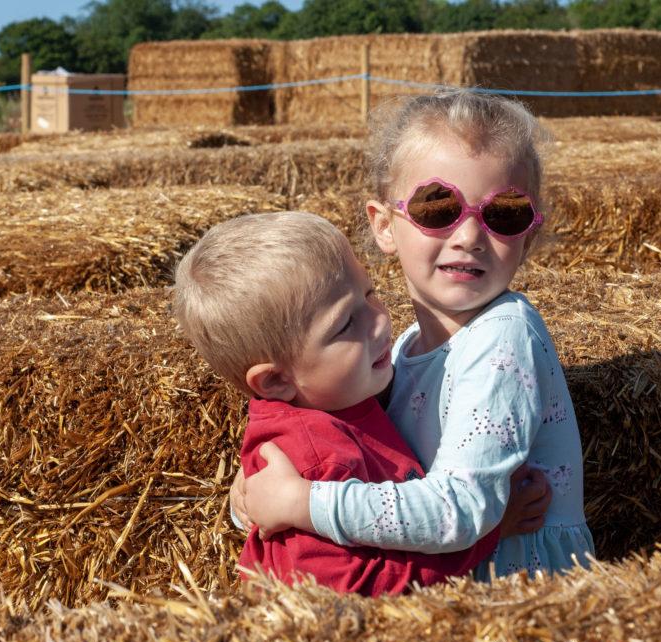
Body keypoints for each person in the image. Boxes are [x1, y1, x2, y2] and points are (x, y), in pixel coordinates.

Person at [237, 90, 594, 579]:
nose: (468, 236)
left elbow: (464, 510)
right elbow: (336, 451)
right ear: (384, 226)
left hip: (513, 595)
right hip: (441, 589)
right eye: (438, 207)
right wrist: (254, 492)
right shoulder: (397, 351)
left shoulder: (502, 335)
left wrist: (305, 503)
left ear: (529, 234)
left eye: (504, 213)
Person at [172, 211, 545, 596]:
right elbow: (354, 593)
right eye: (346, 324)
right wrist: (492, 531)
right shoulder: (314, 465)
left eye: (370, 294)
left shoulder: (337, 401)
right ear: (276, 380)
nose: (381, 321)